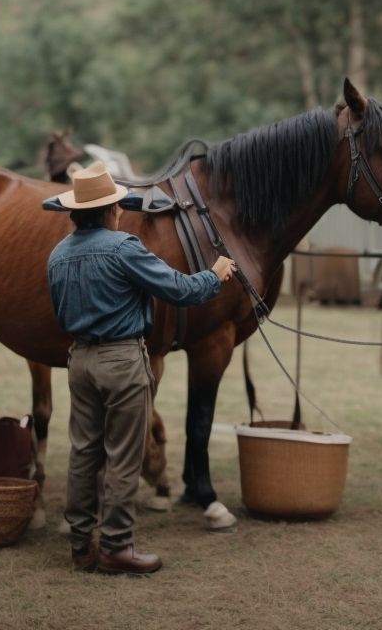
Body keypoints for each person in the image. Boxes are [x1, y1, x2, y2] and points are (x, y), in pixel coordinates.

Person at [46, 162, 234, 575]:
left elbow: (60, 313)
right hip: (121, 360)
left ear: (76, 212)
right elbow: (178, 290)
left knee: (83, 453)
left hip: (79, 360)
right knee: (124, 456)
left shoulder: (58, 255)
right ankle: (116, 546)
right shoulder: (123, 247)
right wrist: (215, 275)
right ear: (110, 211)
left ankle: (82, 545)